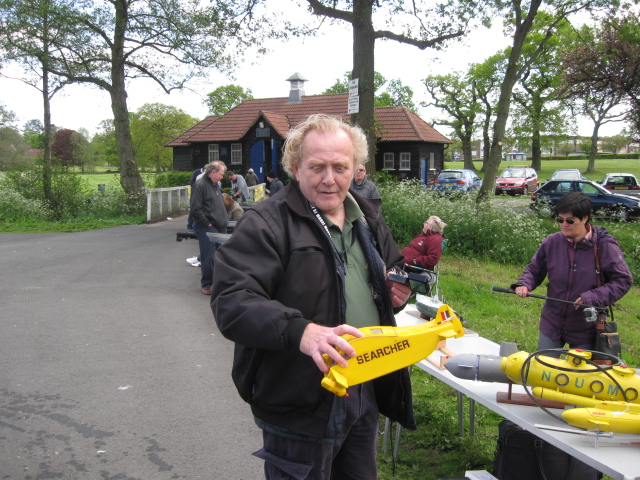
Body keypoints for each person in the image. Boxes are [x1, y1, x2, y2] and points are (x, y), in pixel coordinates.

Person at [211, 114, 416, 480]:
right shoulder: (265, 223)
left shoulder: (367, 218)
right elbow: (232, 301)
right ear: (295, 168)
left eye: (340, 167)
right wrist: (304, 333)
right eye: (317, 166)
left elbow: (393, 265)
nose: (329, 179)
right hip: (299, 397)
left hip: (363, 384)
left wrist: (395, 288)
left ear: (356, 169)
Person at [512, 192, 632, 352]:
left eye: (570, 221)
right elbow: (535, 269)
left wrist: (592, 297)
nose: (564, 225)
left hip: (586, 327)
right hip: (552, 323)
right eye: (560, 220)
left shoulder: (605, 246)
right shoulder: (552, 242)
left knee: (580, 374)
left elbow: (622, 280)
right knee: (542, 368)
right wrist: (525, 284)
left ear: (585, 218)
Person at [190, 161, 229, 295]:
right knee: (209, 256)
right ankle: (207, 284)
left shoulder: (215, 185)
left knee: (221, 256)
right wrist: (207, 223)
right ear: (213, 173)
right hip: (208, 227)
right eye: (221, 174)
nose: (222, 177)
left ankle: (219, 283)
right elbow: (195, 208)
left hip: (220, 226)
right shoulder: (200, 186)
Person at [186, 165, 206, 231]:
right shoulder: (198, 173)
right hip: (195, 193)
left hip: (200, 194)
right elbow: (192, 182)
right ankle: (190, 225)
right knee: (193, 209)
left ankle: (195, 225)